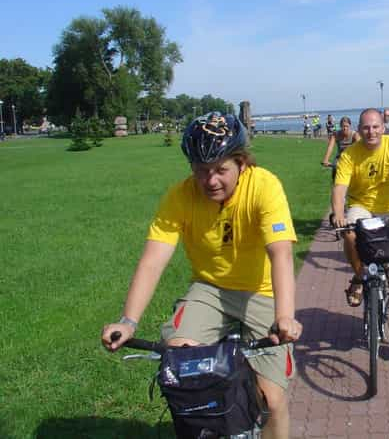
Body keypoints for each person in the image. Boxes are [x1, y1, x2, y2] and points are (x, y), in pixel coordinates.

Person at [101, 112, 301, 439]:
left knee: (272, 400)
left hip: (260, 291)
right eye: (201, 171)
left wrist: (284, 317)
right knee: (181, 365)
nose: (210, 181)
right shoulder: (180, 196)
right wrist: (128, 321)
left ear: (242, 163)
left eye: (221, 170)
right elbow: (153, 260)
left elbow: (280, 253)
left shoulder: (265, 186)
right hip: (209, 289)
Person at [331, 108, 389, 348]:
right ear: (359, 129)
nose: (371, 132)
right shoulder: (350, 154)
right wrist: (338, 214)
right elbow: (339, 188)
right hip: (362, 207)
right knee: (348, 232)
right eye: (366, 127)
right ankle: (360, 276)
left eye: (376, 126)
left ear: (383, 127)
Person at [320, 116, 360, 181]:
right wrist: (326, 159)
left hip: (351, 157)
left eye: (347, 126)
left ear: (350, 126)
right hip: (340, 157)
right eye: (343, 126)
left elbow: (360, 146)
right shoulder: (336, 134)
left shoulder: (354, 135)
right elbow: (330, 147)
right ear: (340, 126)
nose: (345, 128)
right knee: (335, 171)